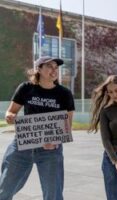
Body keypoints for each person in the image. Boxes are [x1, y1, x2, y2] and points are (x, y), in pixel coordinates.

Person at [0, 56, 75, 200]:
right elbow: (11, 111)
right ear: (38, 69)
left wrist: (54, 140)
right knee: (5, 189)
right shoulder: (26, 88)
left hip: (50, 150)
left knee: (53, 195)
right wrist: (10, 117)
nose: (54, 70)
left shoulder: (64, 93)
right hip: (22, 146)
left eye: (56, 67)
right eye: (49, 66)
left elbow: (67, 126)